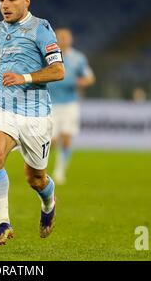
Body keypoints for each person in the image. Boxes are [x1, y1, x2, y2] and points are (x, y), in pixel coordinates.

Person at [0, 0, 65, 245]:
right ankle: (3, 223)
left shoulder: (41, 28)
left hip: (36, 115)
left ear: (26, 0)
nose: (5, 5)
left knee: (35, 178)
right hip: (2, 107)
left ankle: (49, 204)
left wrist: (24, 78)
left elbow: (59, 70)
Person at [49, 28, 95, 185]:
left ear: (71, 39)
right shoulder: (48, 56)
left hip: (70, 104)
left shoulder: (78, 58)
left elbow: (89, 77)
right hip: (50, 103)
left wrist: (83, 81)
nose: (63, 39)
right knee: (52, 141)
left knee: (67, 138)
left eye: (66, 37)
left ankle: (60, 171)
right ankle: (42, 167)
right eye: (60, 37)